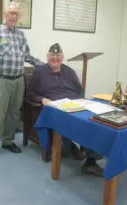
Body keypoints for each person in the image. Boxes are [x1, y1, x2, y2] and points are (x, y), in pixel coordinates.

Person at [26, 43, 103, 177]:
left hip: (74, 104)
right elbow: (30, 93)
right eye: (52, 56)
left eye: (58, 55)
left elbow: (80, 91)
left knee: (95, 121)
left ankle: (90, 160)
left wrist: (82, 103)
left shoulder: (69, 71)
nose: (55, 58)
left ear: (62, 57)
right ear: (47, 57)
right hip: (56, 107)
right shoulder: (39, 72)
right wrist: (42, 99)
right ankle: (72, 146)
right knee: (74, 124)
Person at [0, 2, 43, 161]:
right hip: (1, 81)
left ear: (19, 17)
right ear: (5, 14)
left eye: (16, 14)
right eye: (10, 13)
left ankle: (8, 141)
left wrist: (43, 65)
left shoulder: (21, 35)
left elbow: (27, 56)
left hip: (18, 80)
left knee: (13, 114)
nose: (13, 16)